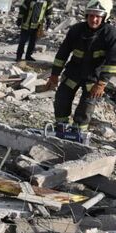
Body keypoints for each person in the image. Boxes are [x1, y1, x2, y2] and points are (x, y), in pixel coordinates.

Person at [44, 0, 116, 143]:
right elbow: (62, 53)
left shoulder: (110, 34)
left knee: (86, 106)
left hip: (94, 78)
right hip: (73, 73)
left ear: (105, 17)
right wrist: (54, 75)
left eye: (98, 16)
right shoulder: (76, 30)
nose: (94, 19)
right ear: (86, 15)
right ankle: (61, 127)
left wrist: (101, 83)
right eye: (91, 15)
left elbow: (113, 62)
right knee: (62, 98)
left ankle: (78, 133)